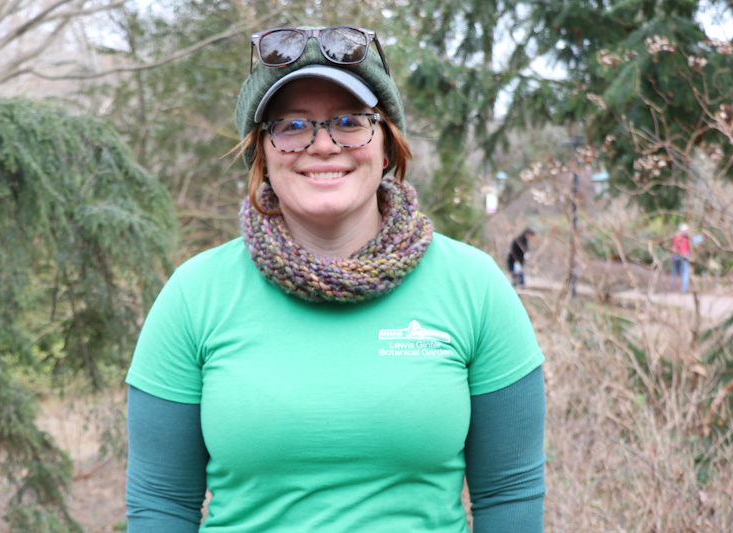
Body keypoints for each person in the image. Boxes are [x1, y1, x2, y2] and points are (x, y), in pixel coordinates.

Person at [125, 25, 546, 533]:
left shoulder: (475, 289)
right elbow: (161, 503)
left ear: (386, 147)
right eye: (291, 125)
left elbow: (509, 494)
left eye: (349, 121)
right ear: (262, 154)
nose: (323, 144)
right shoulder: (194, 296)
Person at [670, 223, 691, 292]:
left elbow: (674, 247)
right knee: (684, 272)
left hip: (679, 255)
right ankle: (683, 289)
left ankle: (674, 287)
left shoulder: (677, 237)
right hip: (683, 255)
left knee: (676, 271)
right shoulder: (686, 237)